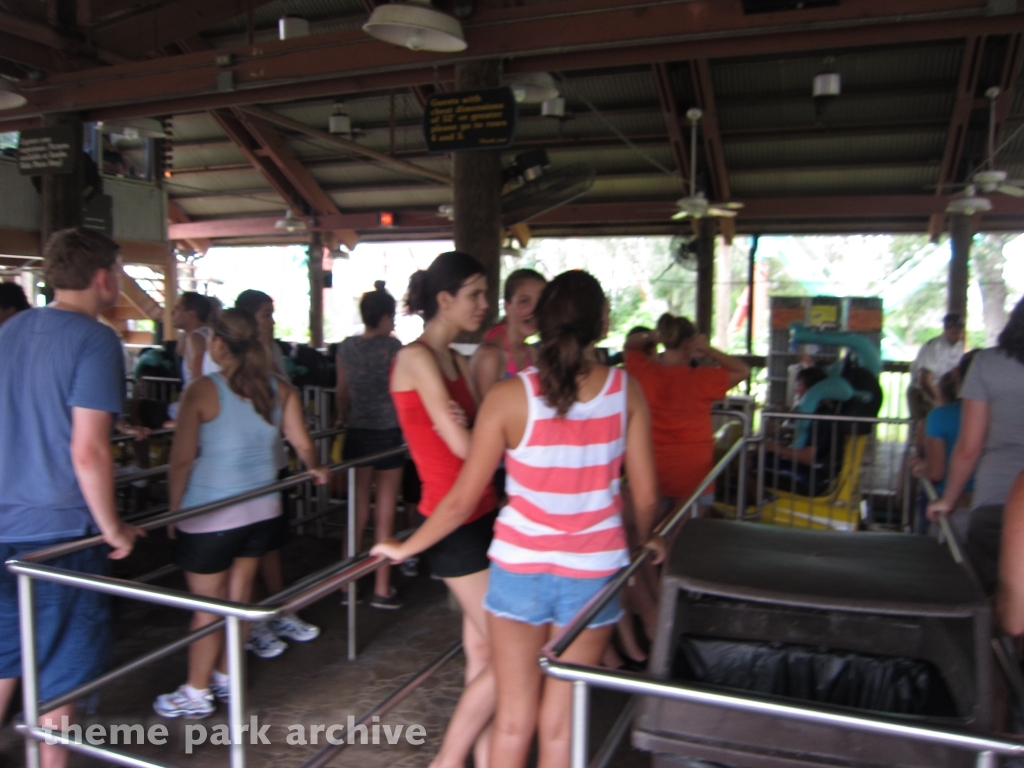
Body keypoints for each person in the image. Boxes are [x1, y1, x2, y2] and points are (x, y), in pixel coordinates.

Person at [373, 269, 664, 768]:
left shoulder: (509, 396)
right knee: (560, 722)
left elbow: (463, 501)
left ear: (540, 322)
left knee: (513, 719)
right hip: (594, 572)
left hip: (519, 570)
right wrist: (646, 538)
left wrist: (405, 547)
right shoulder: (624, 390)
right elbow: (645, 493)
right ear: (604, 321)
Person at [0, 228, 144, 768]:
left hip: (3, 526)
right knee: (59, 674)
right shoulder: (95, 339)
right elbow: (89, 450)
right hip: (59, 535)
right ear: (103, 277)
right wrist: (114, 529)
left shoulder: (11, 330)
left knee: (5, 658)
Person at [153, 309, 328, 719]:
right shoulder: (279, 389)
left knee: (207, 607)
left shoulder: (202, 390)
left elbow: (180, 461)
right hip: (262, 510)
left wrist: (174, 511)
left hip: (212, 513)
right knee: (238, 598)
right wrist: (315, 466)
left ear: (217, 344)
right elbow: (302, 443)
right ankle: (227, 677)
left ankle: (197, 691)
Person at [385, 251, 497, 768]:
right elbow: (464, 448)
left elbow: (482, 440)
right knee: (509, 652)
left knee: (484, 655)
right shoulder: (417, 359)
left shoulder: (457, 359)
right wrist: (477, 432)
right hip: (453, 522)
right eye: (474, 294)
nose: (484, 304)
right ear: (444, 300)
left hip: (482, 513)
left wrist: (477, 432)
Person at [231, 289, 320, 655]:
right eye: (267, 313)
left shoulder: (276, 354)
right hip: (241, 472)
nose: (272, 320)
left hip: (273, 463)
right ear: (250, 319)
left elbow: (285, 400)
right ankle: (251, 623)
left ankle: (277, 608)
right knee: (246, 552)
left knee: (271, 544)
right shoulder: (223, 362)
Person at [928, 298, 1024, 594]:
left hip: (998, 496)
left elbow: (969, 447)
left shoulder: (988, 364)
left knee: (994, 595)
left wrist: (949, 499)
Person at [624, 314, 750, 506]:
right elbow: (743, 370)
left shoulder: (643, 373)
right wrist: (708, 350)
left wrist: (652, 336)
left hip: (653, 476)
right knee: (695, 535)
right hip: (695, 480)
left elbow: (629, 346)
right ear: (689, 343)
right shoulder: (701, 379)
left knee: (653, 534)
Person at [335, 281, 405, 609]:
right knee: (385, 512)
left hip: (357, 431)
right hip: (389, 433)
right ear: (384, 317)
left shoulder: (346, 347)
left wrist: (340, 418)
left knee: (358, 510)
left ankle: (347, 585)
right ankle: (381, 586)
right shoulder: (394, 349)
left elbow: (342, 391)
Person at [911, 352, 977, 534]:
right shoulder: (1004, 419)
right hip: (996, 503)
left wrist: (923, 465)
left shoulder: (939, 417)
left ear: (956, 373)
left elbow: (936, 473)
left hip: (953, 508)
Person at [761, 366, 849, 497]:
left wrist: (774, 448)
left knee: (751, 462)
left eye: (799, 385)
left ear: (812, 389)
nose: (796, 389)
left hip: (816, 475)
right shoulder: (812, 413)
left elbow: (807, 457)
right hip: (814, 469)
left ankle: (757, 504)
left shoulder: (821, 416)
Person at [470, 269, 547, 397]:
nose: (535, 310)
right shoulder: (491, 355)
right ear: (507, 306)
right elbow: (484, 415)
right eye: (524, 301)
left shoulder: (533, 354)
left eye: (541, 303)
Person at [908, 313, 965, 422]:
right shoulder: (936, 347)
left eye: (959, 331)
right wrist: (940, 401)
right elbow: (924, 381)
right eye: (953, 331)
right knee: (926, 426)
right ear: (946, 330)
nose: (957, 334)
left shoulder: (959, 346)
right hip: (923, 392)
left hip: (942, 391)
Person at [172, 292, 215, 387]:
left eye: (178, 308)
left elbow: (198, 379)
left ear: (191, 314)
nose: (172, 313)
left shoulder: (196, 338)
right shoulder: (191, 337)